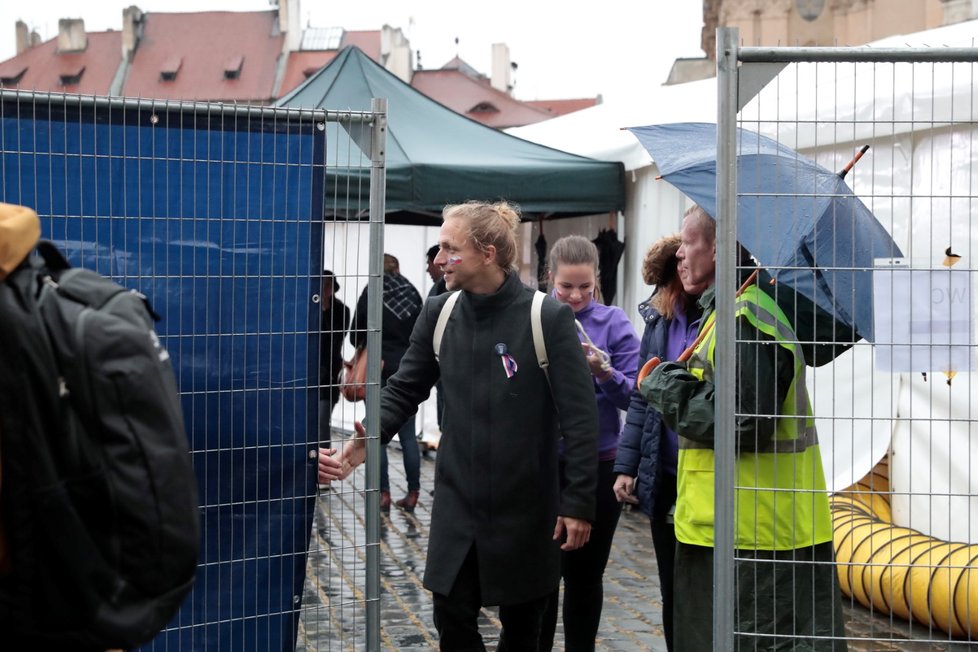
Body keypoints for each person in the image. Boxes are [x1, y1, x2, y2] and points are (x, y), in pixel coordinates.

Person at [320, 200, 599, 651]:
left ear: (487, 253)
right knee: (451, 615)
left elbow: (581, 416)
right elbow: (404, 389)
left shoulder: (546, 316)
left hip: (526, 506)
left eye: (449, 248)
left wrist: (580, 502)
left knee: (525, 630)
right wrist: (366, 439)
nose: (436, 260)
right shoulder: (439, 313)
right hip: (457, 503)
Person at [640, 205, 846, 651]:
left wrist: (665, 389)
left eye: (688, 242)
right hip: (731, 530)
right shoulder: (727, 313)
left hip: (755, 540)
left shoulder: (746, 318)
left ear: (717, 248)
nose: (679, 254)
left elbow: (746, 422)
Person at [537, 235, 638, 651]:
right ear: (549, 279)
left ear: (597, 281)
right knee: (540, 575)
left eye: (585, 286)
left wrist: (604, 373)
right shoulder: (535, 317)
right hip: (543, 463)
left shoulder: (615, 323)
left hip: (598, 462)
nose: (576, 296)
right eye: (566, 287)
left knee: (584, 575)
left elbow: (636, 396)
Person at [611, 233, 705, 652]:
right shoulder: (660, 322)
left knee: (701, 587)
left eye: (685, 266)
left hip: (702, 474)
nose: (681, 276)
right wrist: (627, 466)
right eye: (673, 271)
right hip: (664, 472)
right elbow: (641, 394)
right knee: (670, 586)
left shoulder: (718, 316)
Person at [350, 254, 423, 512]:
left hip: (377, 369)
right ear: (398, 267)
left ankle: (383, 494)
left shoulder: (373, 289)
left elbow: (354, 333)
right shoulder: (412, 292)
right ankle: (413, 492)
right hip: (408, 370)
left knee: (377, 432)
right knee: (408, 437)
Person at [319, 270, 350, 448]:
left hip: (330, 371)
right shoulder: (306, 309)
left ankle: (324, 463)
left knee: (322, 422)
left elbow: (335, 338)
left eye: (328, 285)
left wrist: (324, 311)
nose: (324, 288)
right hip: (309, 370)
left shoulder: (341, 310)